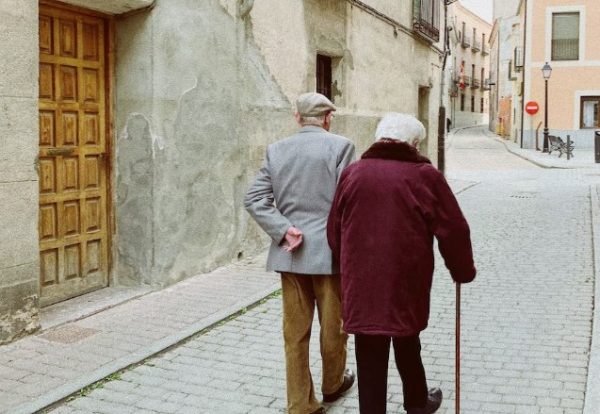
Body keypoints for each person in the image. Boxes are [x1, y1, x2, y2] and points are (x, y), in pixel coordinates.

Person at [327, 113, 476, 414]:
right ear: (413, 143)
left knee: (369, 351)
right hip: (406, 280)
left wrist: (347, 265)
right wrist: (462, 269)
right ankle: (417, 403)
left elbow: (334, 230)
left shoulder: (353, 173)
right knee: (408, 340)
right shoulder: (425, 176)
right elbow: (454, 228)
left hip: (363, 283)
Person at [244, 92, 356, 414]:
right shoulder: (341, 147)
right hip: (330, 256)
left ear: (297, 118)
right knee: (333, 327)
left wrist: (283, 229)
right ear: (327, 118)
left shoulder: (276, 150)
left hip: (291, 255)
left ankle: (301, 404)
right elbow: (348, 202)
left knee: (295, 332)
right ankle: (333, 385)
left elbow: (254, 199)